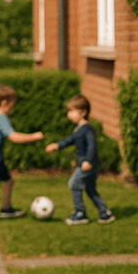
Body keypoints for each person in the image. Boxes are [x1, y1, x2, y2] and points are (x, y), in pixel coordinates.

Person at [45, 94, 115, 225]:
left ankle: (80, 213)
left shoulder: (87, 129)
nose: (69, 114)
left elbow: (92, 146)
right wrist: (57, 145)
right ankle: (105, 213)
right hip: (86, 164)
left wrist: (87, 161)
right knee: (90, 189)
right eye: (69, 111)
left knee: (73, 184)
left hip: (87, 165)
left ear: (83, 112)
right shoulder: (78, 129)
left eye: (72, 111)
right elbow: (70, 140)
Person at [0, 85, 44, 218]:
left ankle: (6, 209)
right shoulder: (1, 117)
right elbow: (13, 137)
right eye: (11, 105)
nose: (12, 108)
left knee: (8, 181)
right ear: (4, 102)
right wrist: (34, 136)